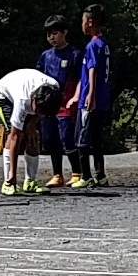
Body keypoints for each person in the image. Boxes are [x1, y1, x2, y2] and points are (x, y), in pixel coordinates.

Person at [0, 68, 64, 196]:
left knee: (33, 135)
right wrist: (13, 176)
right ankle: (8, 181)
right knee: (17, 135)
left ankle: (30, 181)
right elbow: (15, 137)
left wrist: (32, 125)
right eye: (38, 110)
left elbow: (41, 111)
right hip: (3, 96)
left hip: (29, 94)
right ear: (34, 100)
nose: (38, 114)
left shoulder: (54, 89)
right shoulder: (22, 100)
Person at [37, 15, 82, 188]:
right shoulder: (46, 56)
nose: (52, 38)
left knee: (67, 138)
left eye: (55, 33)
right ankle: (57, 175)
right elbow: (38, 77)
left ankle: (77, 173)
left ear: (65, 32)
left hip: (66, 103)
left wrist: (75, 97)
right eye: (49, 34)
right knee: (49, 139)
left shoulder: (75, 54)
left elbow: (80, 79)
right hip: (48, 105)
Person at [72, 3, 113, 189]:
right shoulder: (104, 44)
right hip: (103, 98)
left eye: (82, 20)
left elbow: (92, 70)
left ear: (89, 22)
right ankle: (100, 175)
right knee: (96, 139)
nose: (81, 24)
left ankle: (86, 176)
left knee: (82, 138)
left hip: (91, 99)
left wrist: (90, 94)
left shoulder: (92, 45)